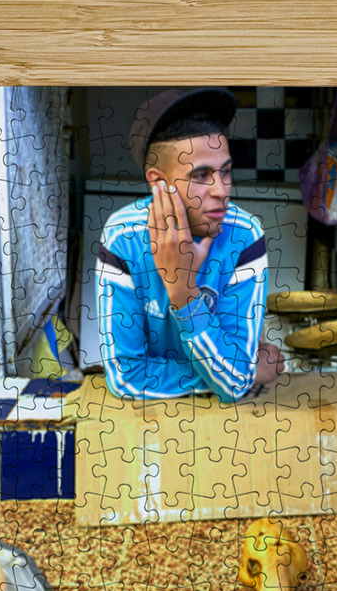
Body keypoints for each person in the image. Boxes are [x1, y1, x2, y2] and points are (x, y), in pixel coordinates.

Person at [95, 87, 285, 402]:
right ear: (158, 182)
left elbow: (234, 380)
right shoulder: (122, 238)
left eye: (225, 172)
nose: (222, 190)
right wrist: (240, 373)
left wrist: (185, 294)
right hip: (147, 424)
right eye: (201, 175)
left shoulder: (245, 236)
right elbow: (125, 377)